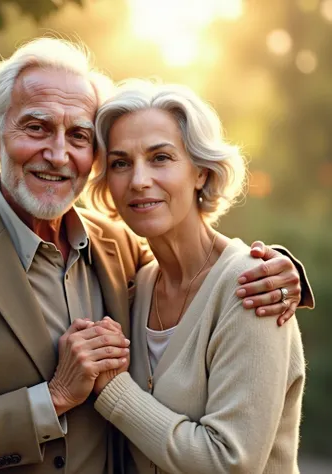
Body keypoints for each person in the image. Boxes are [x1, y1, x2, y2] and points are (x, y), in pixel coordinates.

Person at [0, 38, 311, 474]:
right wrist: (53, 398)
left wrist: (277, 268)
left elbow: (208, 271)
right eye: (37, 128)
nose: (59, 154)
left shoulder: (120, 248)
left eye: (79, 136)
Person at [89, 81, 306, 473]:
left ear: (201, 173)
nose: (138, 179)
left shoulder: (252, 287)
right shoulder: (138, 285)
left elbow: (229, 464)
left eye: (160, 157)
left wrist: (114, 391)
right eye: (121, 163)